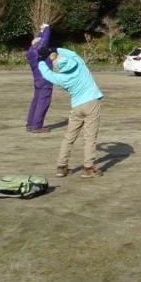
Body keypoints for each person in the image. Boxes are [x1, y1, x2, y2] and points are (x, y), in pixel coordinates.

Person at [38, 47, 104, 179]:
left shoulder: (60, 77)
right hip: (91, 102)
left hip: (76, 106)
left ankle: (62, 167)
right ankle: (88, 168)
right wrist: (55, 48)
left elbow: (46, 73)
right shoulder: (78, 62)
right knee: (90, 137)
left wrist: (40, 59)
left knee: (69, 137)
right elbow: (72, 53)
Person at [25, 24, 53, 133]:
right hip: (45, 80)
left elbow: (40, 39)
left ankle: (30, 124)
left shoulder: (31, 51)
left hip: (37, 80)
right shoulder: (39, 51)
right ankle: (37, 126)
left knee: (35, 101)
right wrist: (47, 28)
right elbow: (45, 39)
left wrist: (41, 31)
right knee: (43, 102)